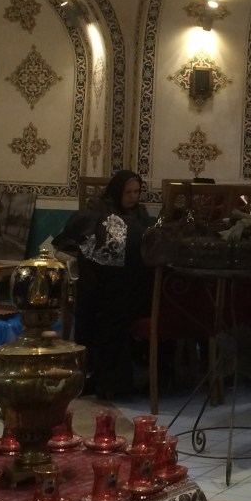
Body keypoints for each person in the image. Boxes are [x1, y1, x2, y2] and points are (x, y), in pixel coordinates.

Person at [54, 170, 153, 399]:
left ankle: (118, 379)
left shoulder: (140, 212)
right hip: (100, 280)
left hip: (129, 280)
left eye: (136, 192)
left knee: (122, 306)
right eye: (128, 192)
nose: (133, 197)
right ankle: (102, 378)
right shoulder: (99, 210)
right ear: (117, 191)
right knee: (106, 311)